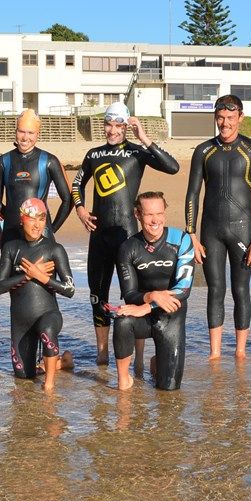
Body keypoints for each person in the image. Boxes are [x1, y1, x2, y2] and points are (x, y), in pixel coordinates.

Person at [71, 102, 179, 365]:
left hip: (128, 237)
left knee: (134, 294)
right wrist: (81, 210)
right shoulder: (94, 154)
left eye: (118, 125)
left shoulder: (137, 153)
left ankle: (138, 357)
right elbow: (77, 183)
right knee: (97, 295)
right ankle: (101, 352)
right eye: (109, 124)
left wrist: (143, 136)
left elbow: (172, 167)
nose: (112, 130)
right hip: (99, 235)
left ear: (126, 126)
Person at [184, 95, 251, 359]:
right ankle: (215, 353)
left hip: (243, 231)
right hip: (211, 232)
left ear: (240, 117)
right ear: (215, 117)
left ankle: (241, 352)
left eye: (230, 119)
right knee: (215, 290)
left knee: (241, 290)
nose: (225, 124)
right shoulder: (203, 150)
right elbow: (192, 195)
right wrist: (191, 235)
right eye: (220, 118)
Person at [110, 192, 195, 391]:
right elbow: (129, 294)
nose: (155, 220)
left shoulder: (181, 240)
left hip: (171, 317)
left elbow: (183, 289)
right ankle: (124, 381)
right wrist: (151, 296)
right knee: (121, 320)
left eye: (159, 213)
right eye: (149, 215)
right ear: (137, 215)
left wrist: (149, 306)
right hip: (142, 317)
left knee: (169, 391)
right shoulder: (128, 248)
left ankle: (158, 362)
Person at [0, 198, 76, 391]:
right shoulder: (11, 248)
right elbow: (0, 286)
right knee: (23, 377)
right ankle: (61, 362)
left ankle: (49, 387)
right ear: (22, 220)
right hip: (21, 322)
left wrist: (41, 276)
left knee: (47, 331)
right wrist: (28, 275)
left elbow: (70, 290)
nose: (37, 224)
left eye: (41, 218)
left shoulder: (54, 249)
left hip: (48, 315)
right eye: (32, 219)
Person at [0, 109, 72, 245]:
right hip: (12, 233)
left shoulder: (49, 161)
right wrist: (12, 217)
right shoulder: (2, 161)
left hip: (41, 233)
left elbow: (67, 199)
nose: (25, 137)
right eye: (21, 131)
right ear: (15, 131)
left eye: (30, 133)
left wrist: (51, 229)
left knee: (41, 267)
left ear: (37, 134)